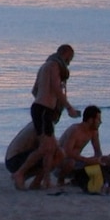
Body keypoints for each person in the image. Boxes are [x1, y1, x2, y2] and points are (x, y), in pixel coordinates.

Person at [12, 44, 79, 190]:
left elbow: (35, 90)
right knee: (45, 148)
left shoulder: (44, 66)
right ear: (65, 53)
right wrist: (68, 107)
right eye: (70, 58)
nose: (70, 62)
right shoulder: (54, 66)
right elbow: (55, 87)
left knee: (49, 149)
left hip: (43, 110)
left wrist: (47, 101)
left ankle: (43, 180)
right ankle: (20, 173)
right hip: (42, 110)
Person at [56, 105, 110, 186]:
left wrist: (99, 160)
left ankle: (78, 179)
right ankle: (60, 180)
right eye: (98, 119)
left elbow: (97, 150)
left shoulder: (94, 131)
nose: (100, 122)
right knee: (70, 162)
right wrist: (87, 160)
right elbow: (67, 152)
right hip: (62, 163)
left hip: (79, 161)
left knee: (108, 161)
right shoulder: (75, 130)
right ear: (90, 120)